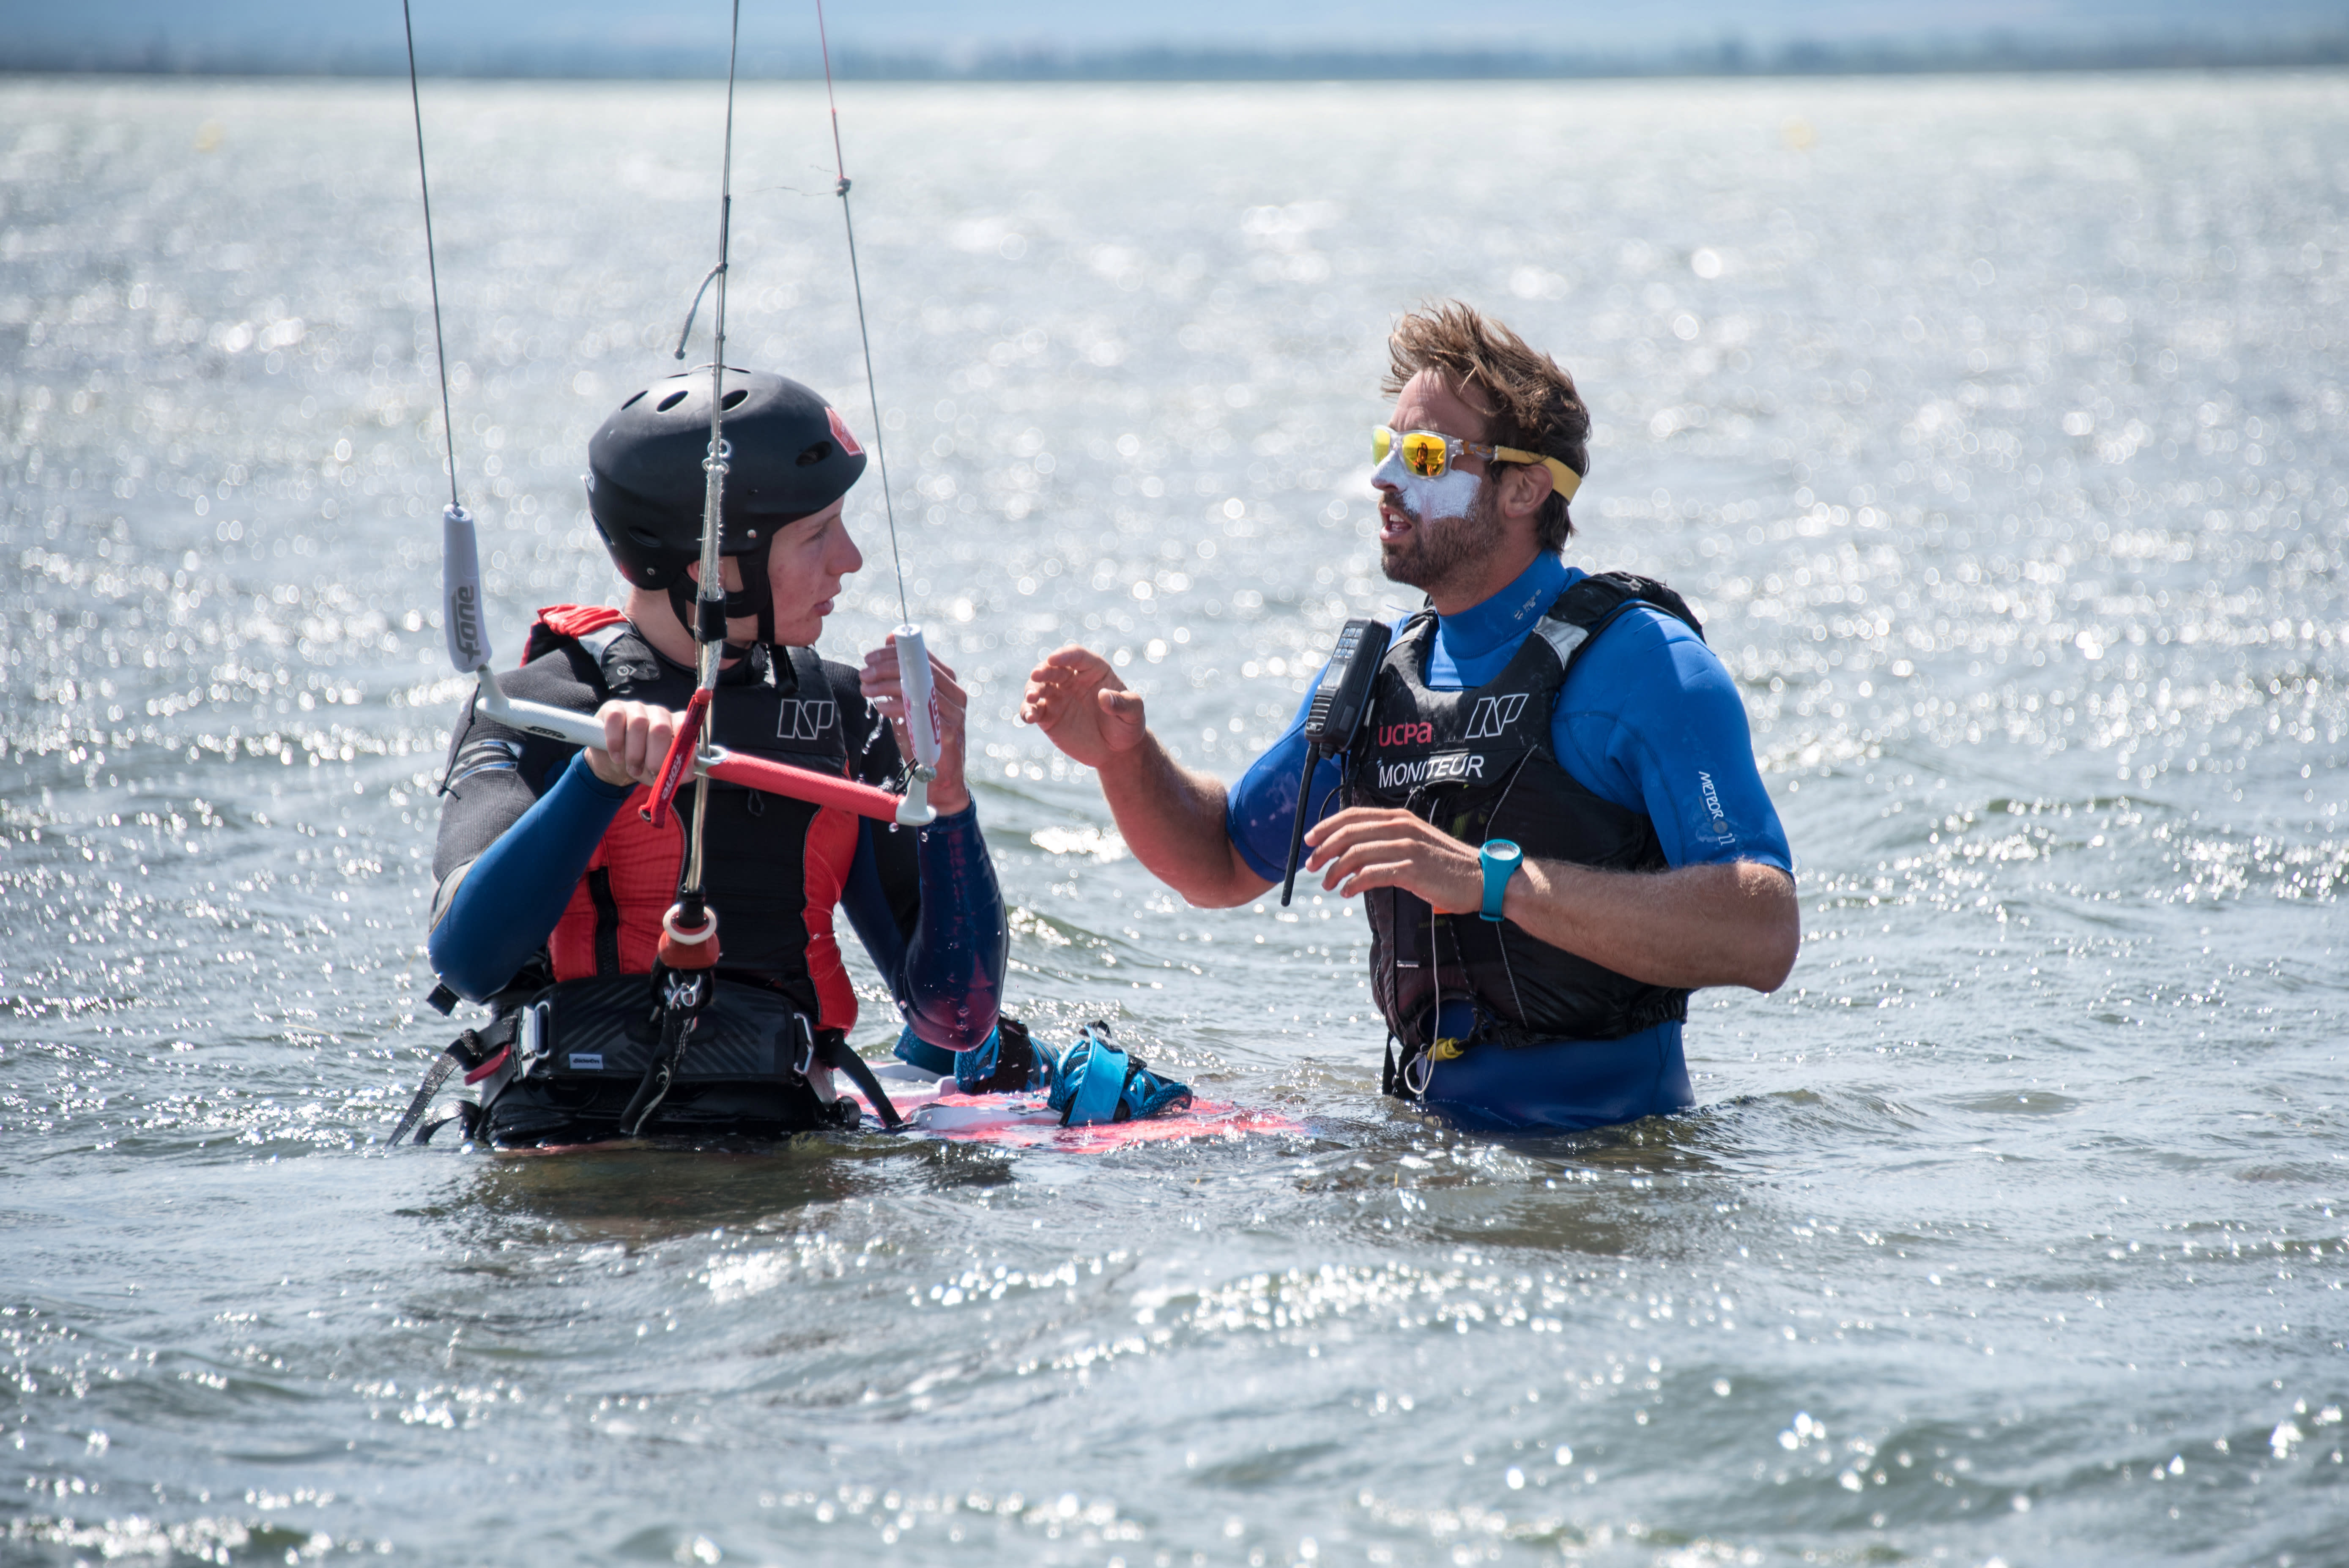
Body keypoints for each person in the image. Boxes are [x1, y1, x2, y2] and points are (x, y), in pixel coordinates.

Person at [1020, 303, 1799, 1134]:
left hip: (1610, 1161)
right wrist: (1124, 760)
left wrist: (1491, 880)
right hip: (1429, 1146)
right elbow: (1217, 862)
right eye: (1384, 450)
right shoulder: (1378, 679)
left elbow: (1762, 930)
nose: (1385, 481)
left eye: (1424, 456)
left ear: (1523, 488)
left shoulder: (1645, 664)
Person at [421, 367, 1011, 1146]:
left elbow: (957, 1017)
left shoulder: (844, 718)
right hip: (569, 1146)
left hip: (785, 1144)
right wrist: (597, 781)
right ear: (711, 569)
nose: (853, 559)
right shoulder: (546, 708)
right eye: (817, 533)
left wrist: (948, 798)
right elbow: (468, 960)